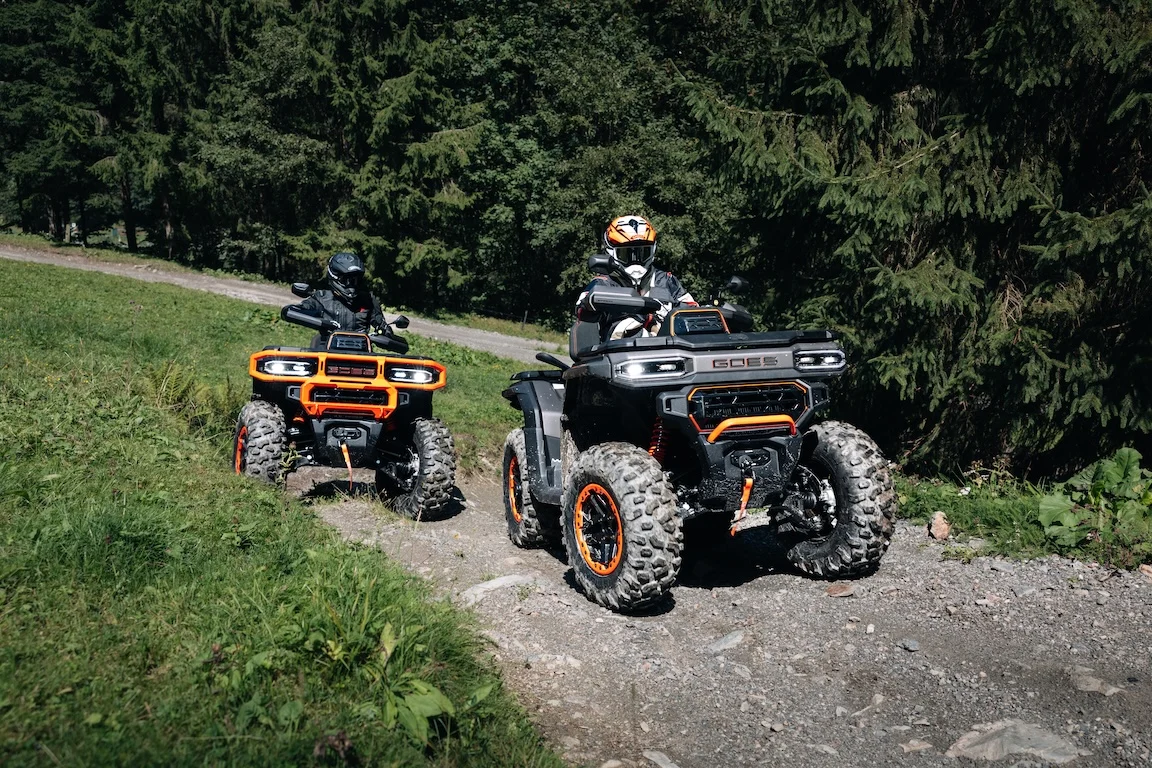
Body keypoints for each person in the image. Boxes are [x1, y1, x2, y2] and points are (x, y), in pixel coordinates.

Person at [575, 215, 697, 341]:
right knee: (627, 326)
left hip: (669, 348)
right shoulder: (603, 283)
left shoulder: (666, 280)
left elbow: (692, 311)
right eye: (626, 254)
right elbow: (581, 309)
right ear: (611, 252)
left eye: (643, 253)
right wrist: (640, 314)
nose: (636, 261)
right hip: (619, 350)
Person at [298, 251, 387, 343]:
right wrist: (297, 310)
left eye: (356, 280)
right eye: (346, 279)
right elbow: (299, 310)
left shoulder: (368, 300)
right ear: (335, 277)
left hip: (361, 350)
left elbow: (382, 326)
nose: (352, 284)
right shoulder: (321, 298)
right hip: (326, 348)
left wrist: (385, 331)